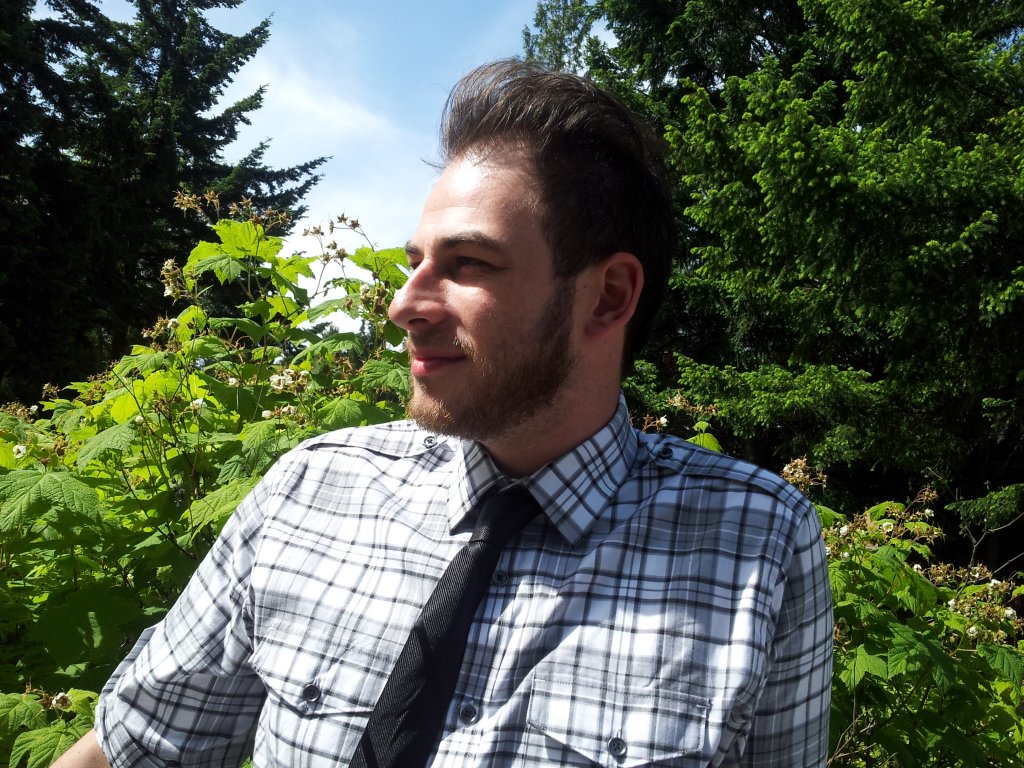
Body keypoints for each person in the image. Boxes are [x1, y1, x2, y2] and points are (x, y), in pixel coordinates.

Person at [55, 59, 833, 768]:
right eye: (415, 262)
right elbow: (130, 750)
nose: (404, 305)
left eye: (468, 264)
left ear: (609, 296)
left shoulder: (756, 545)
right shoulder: (309, 492)